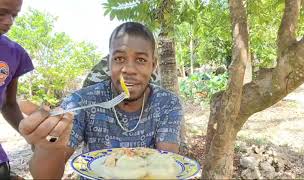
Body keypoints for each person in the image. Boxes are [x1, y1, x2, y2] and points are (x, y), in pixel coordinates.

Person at [19, 22, 183, 179]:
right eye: (119, 59)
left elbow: (166, 167)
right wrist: (48, 148)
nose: (129, 70)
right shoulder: (81, 102)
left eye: (141, 60)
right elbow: (46, 177)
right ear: (109, 63)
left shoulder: (167, 103)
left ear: (153, 65)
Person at [0, 0, 34, 179]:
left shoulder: (14, 53)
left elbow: (9, 104)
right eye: (1, 13)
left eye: (14, 15)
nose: (9, 22)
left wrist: (30, 136)